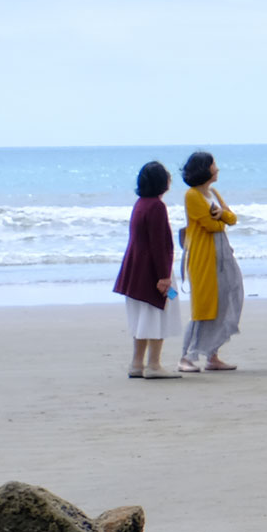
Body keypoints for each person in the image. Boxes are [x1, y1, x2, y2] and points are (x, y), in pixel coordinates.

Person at [177, 152, 244, 372]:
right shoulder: (192, 195)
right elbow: (211, 225)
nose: (217, 168)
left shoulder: (212, 192)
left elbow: (232, 218)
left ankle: (213, 354)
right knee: (204, 306)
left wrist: (221, 215)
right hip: (203, 257)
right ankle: (186, 357)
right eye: (214, 164)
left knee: (227, 299)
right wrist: (220, 217)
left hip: (222, 254)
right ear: (205, 168)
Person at [113, 160, 177, 378]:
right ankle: (154, 364)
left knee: (141, 318)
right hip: (153, 271)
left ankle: (137, 363)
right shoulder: (157, 206)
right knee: (157, 315)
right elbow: (159, 244)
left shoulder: (140, 203)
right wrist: (164, 276)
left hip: (135, 270)